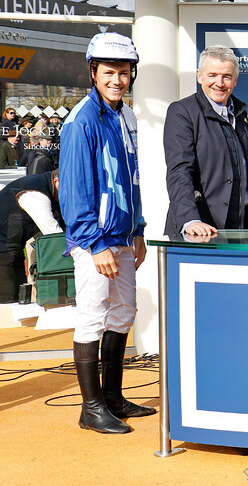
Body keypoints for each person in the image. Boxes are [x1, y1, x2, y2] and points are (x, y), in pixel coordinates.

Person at [59, 32, 154, 434]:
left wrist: (139, 229)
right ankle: (91, 407)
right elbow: (75, 189)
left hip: (124, 237)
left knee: (123, 313)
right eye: (109, 72)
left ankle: (113, 398)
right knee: (92, 318)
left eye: (124, 72)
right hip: (94, 241)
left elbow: (131, 181)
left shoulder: (124, 115)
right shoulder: (81, 120)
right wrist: (94, 243)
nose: (117, 79)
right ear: (93, 72)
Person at [164, 45, 248, 237]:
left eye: (226, 76)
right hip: (200, 231)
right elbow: (179, 171)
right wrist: (190, 220)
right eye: (212, 75)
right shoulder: (183, 112)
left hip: (240, 228)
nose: (219, 83)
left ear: (235, 80)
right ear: (199, 76)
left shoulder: (240, 115)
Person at [0, 170, 62, 302]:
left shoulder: (43, 187)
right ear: (56, 180)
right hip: (4, 250)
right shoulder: (36, 193)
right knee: (8, 302)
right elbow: (53, 233)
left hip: (12, 248)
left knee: (18, 298)